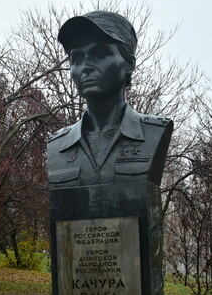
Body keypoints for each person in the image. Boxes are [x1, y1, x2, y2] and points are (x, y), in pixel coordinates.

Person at [47, 11, 173, 188]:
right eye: (77, 58)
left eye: (99, 55)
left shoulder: (154, 132)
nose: (86, 67)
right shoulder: (57, 145)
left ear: (128, 64)